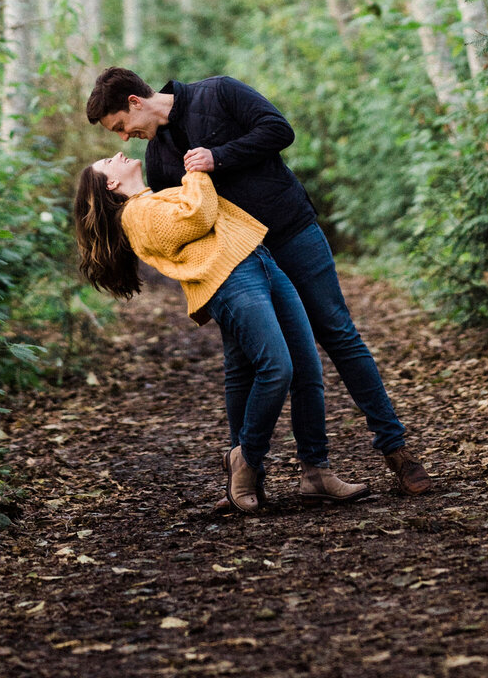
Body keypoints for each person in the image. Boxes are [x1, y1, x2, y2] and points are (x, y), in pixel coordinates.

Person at [86, 67, 433, 497]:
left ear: (135, 102)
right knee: (254, 364)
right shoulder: (156, 160)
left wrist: (219, 156)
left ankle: (397, 452)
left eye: (121, 126)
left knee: (339, 334)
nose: (124, 137)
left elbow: (278, 130)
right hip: (242, 265)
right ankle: (255, 474)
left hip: (292, 232)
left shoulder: (218, 92)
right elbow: (180, 222)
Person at [74, 151, 369, 511]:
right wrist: (196, 171)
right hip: (231, 280)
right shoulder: (135, 214)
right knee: (277, 368)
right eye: (108, 161)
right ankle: (246, 459)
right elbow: (196, 218)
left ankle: (316, 472)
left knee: (308, 370)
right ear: (111, 184)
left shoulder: (152, 198)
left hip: (261, 261)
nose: (117, 154)